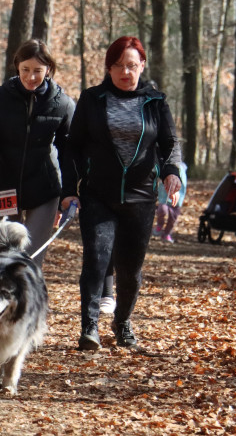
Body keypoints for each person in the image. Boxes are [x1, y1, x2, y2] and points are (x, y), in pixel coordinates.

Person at [70, 36, 182, 350]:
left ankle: (122, 322)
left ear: (142, 66)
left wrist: (171, 173)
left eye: (132, 65)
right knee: (96, 258)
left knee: (130, 270)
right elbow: (73, 146)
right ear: (109, 67)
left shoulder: (154, 100)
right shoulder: (93, 99)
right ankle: (89, 327)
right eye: (118, 65)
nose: (125, 72)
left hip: (140, 198)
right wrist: (72, 187)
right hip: (98, 195)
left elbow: (169, 144)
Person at [0, 39, 77, 266]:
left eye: (38, 71)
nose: (31, 77)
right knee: (1, 254)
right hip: (4, 187)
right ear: (17, 66)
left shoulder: (63, 104)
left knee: (30, 258)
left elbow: (69, 153)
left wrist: (68, 193)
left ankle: (28, 301)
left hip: (45, 189)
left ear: (48, 69)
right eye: (26, 70)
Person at [153, 161, 188, 243]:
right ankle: (159, 225)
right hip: (164, 194)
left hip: (178, 196)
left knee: (173, 216)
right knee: (162, 210)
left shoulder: (182, 167)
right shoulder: (167, 164)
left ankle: (167, 233)